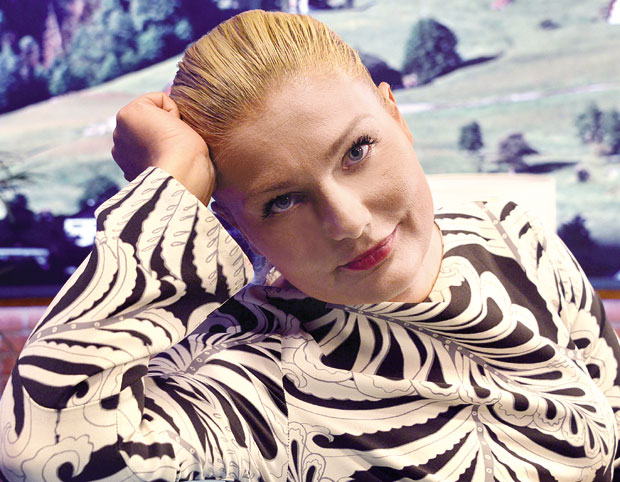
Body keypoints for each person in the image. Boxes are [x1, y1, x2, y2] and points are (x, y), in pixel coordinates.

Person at [1, 9, 619, 482]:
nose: (348, 221)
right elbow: (40, 452)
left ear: (396, 117)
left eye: (357, 151)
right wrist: (167, 188)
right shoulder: (255, 369)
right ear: (230, 220)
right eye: (282, 201)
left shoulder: (509, 232)